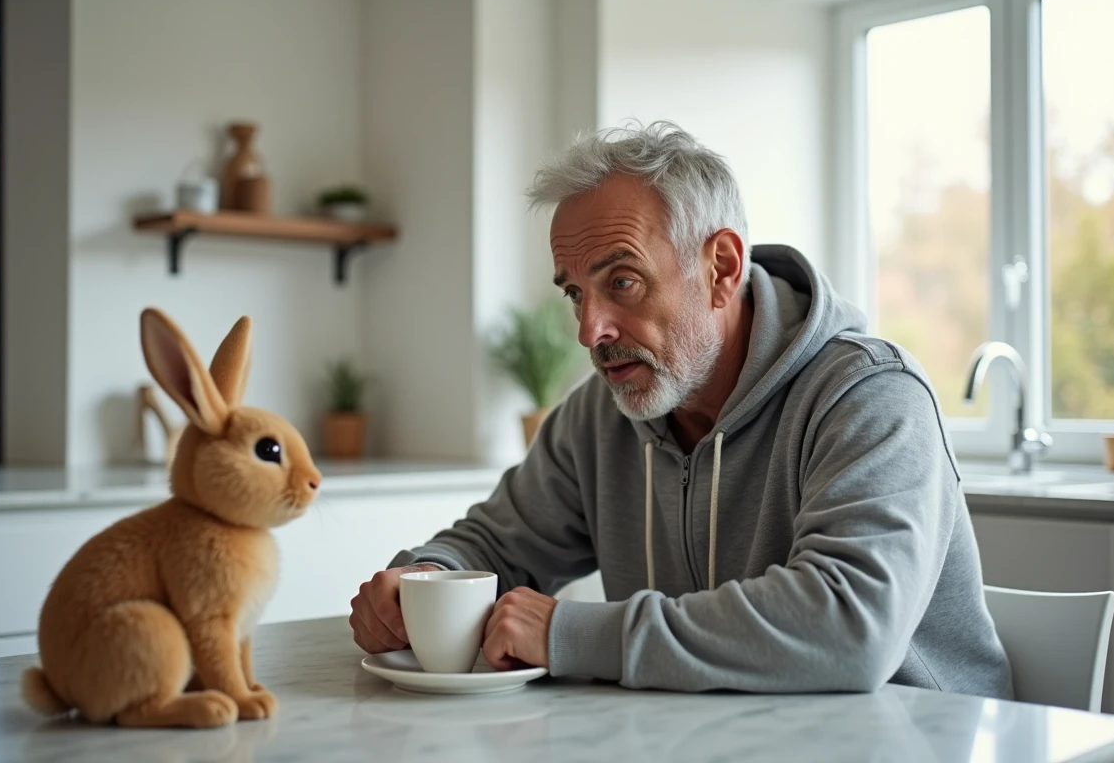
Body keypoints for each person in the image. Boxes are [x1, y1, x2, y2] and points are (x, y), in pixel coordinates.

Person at [349, 120, 1013, 698]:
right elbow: (493, 544)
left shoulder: (869, 396)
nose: (590, 330)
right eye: (575, 294)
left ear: (722, 266)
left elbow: (850, 625)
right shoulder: (599, 418)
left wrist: (572, 634)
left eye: (622, 282)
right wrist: (424, 576)